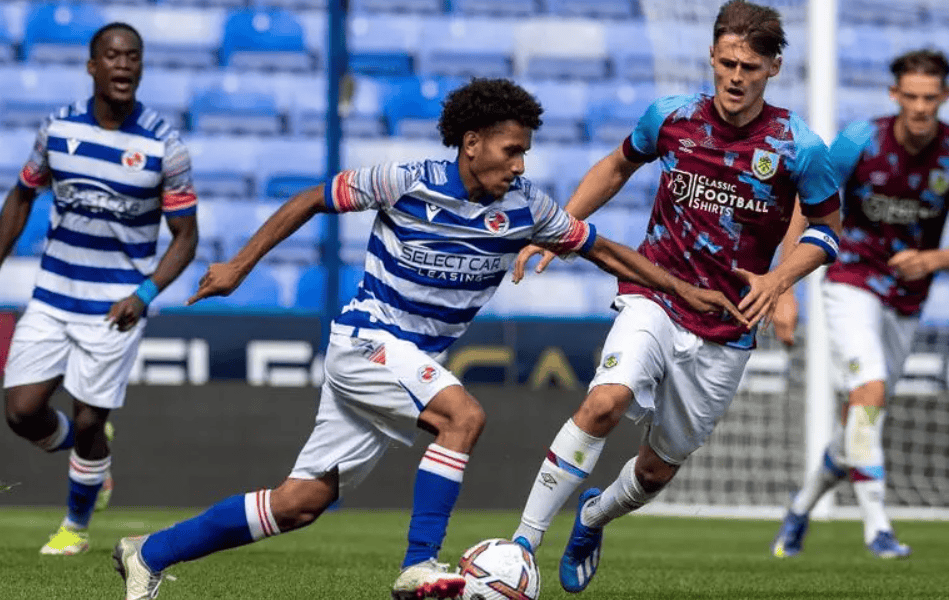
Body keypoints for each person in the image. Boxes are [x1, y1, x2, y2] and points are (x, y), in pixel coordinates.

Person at [111, 77, 745, 600]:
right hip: (366, 341)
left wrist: (683, 291)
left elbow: (604, 250)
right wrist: (239, 267)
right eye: (511, 151)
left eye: (525, 153)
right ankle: (419, 564)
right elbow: (310, 200)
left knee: (300, 502)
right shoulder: (406, 180)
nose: (519, 165)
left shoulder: (526, 208)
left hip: (407, 361)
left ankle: (149, 554)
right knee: (462, 417)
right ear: (472, 143)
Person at [508, 0, 842, 593]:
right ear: (712, 57)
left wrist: (779, 280)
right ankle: (522, 547)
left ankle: (593, 517)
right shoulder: (671, 117)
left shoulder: (799, 148)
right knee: (604, 403)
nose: (735, 77)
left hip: (727, 322)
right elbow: (617, 166)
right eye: (727, 63)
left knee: (658, 469)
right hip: (655, 291)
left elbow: (827, 231)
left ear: (773, 68)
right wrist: (561, 229)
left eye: (750, 67)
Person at [0, 23, 198, 556]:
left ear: (142, 67)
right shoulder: (57, 129)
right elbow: (22, 196)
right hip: (53, 295)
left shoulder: (164, 145)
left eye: (133, 56)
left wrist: (145, 295)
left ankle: (74, 528)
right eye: (112, 55)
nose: (123, 64)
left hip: (116, 306)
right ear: (92, 66)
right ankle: (88, 450)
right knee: (21, 413)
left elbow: (186, 237)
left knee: (91, 417)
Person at [771, 49, 949, 560]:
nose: (920, 107)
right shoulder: (859, 140)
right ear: (895, 95)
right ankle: (878, 529)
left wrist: (935, 259)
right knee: (869, 388)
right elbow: (807, 203)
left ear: (943, 97)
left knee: (860, 416)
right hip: (851, 277)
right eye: (911, 97)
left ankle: (800, 509)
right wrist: (784, 287)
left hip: (908, 296)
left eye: (930, 98)